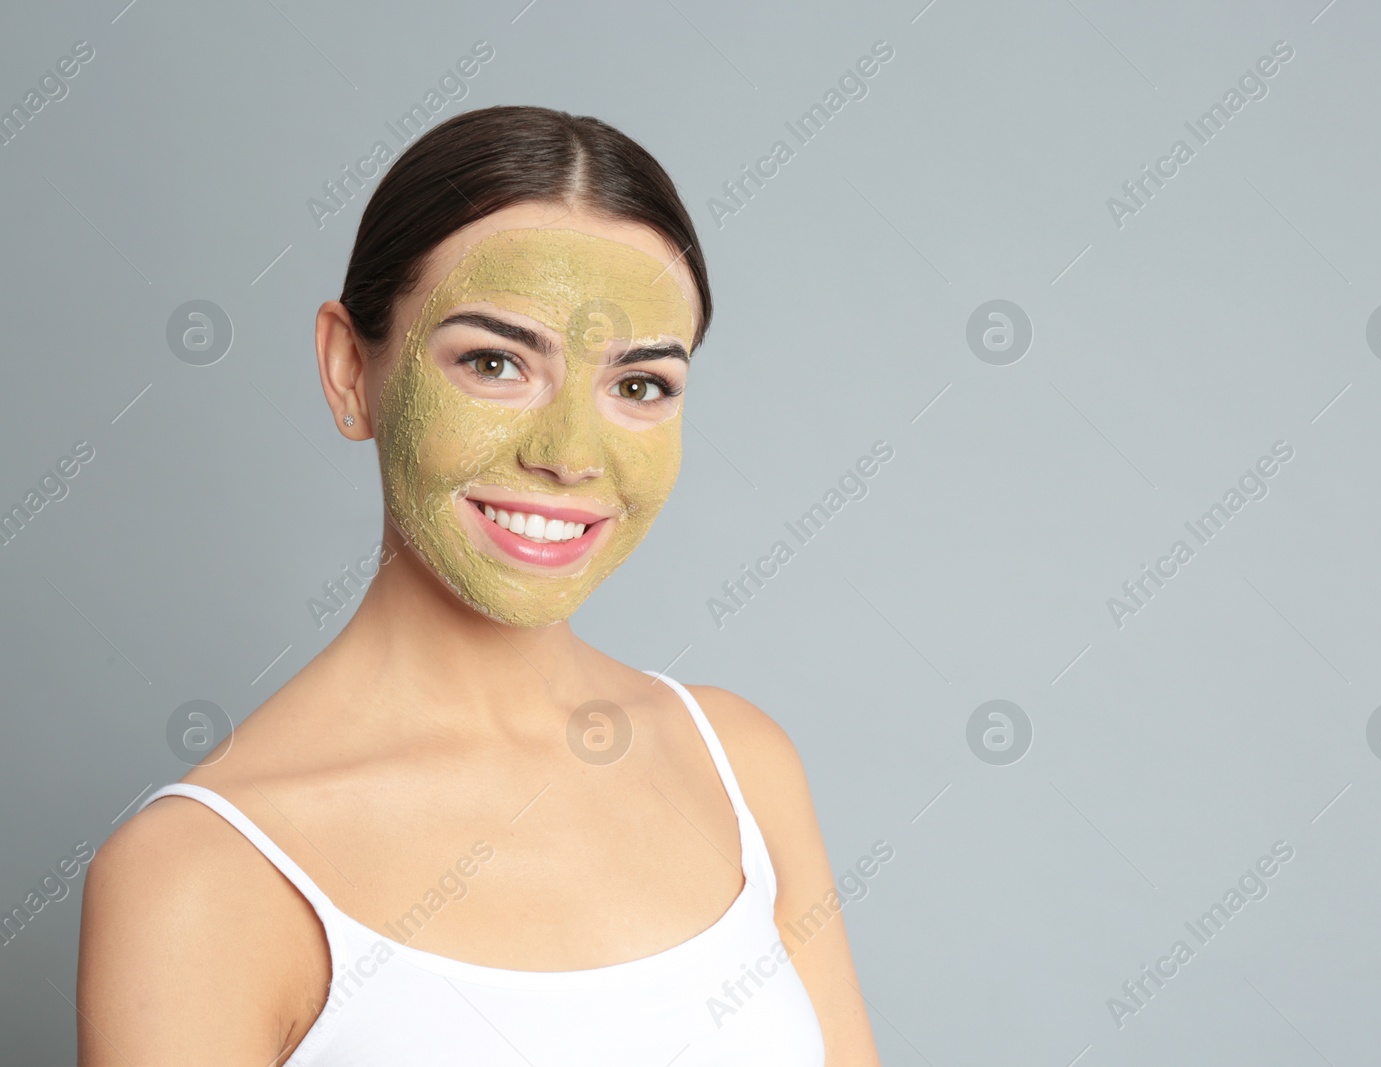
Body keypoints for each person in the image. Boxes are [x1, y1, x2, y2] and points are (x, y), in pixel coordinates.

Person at [77, 105, 881, 1065]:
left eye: (639, 385)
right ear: (349, 370)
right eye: (496, 363)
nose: (569, 457)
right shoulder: (201, 874)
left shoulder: (742, 766)